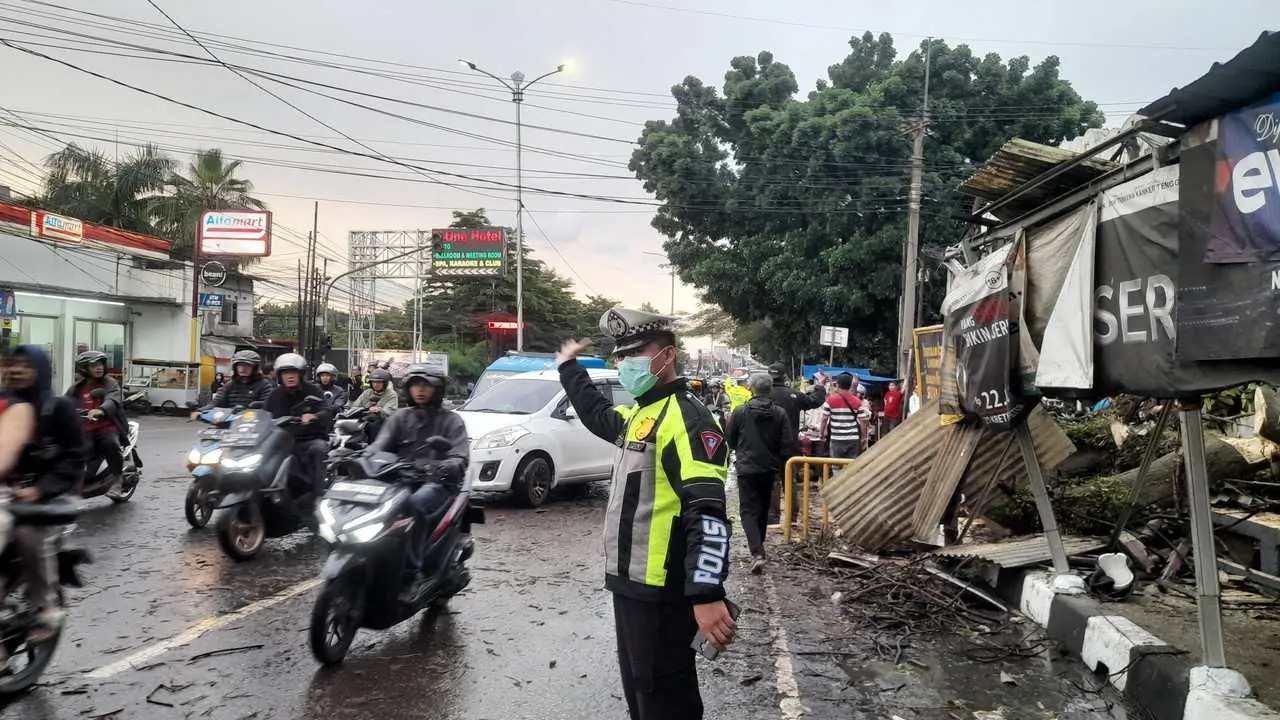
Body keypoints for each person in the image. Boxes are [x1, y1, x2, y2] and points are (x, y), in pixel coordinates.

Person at [557, 306, 735, 720]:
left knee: (666, 702)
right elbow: (599, 416)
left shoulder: (689, 419)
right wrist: (569, 369)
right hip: (631, 585)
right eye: (621, 355)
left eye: (635, 353)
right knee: (642, 694)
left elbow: (707, 512)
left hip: (665, 592)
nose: (625, 363)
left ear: (667, 356)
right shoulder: (642, 413)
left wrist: (706, 593)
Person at [1, 345, 86, 642]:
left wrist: (39, 489)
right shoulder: (5, 404)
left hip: (50, 499)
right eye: (13, 365)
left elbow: (76, 457)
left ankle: (46, 608)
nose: (16, 371)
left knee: (29, 535)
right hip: (8, 493)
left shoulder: (57, 407)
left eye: (25, 366)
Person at [367, 364, 468, 598]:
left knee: (413, 505)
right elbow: (378, 446)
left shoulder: (452, 421)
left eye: (426, 385)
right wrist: (357, 456)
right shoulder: (399, 417)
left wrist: (447, 464)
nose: (420, 390)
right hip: (400, 479)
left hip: (437, 483)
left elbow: (460, 455)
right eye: (415, 385)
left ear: (438, 389)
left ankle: (412, 573)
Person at [724, 373, 796, 574]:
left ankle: (757, 552)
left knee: (747, 510)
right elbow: (787, 443)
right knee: (763, 509)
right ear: (770, 389)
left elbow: (729, 440)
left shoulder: (739, 412)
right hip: (769, 469)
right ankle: (759, 548)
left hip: (746, 468)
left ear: (751, 388)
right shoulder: (780, 413)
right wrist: (783, 467)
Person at [264, 353, 333, 501]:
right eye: (286, 373)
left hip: (308, 439)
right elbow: (264, 415)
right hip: (282, 441)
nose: (290, 376)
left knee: (319, 448)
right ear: (279, 376)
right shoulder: (274, 395)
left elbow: (327, 410)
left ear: (301, 374)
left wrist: (314, 416)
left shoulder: (313, 391)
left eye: (293, 372)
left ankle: (318, 493)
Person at [766, 363, 826, 523]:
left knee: (773, 481)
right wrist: (820, 385)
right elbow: (815, 401)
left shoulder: (761, 396)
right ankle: (791, 517)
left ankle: (772, 517)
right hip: (789, 446)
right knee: (789, 480)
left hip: (768, 447)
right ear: (784, 376)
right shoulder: (793, 395)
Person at [66, 351, 126, 490]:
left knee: (110, 443)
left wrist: (101, 410)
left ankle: (118, 478)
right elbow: (65, 403)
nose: (99, 368)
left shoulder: (110, 383)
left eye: (100, 364)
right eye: (93, 365)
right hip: (86, 428)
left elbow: (113, 398)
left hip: (107, 426)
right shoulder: (77, 388)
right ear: (84, 368)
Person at [194, 350, 271, 415]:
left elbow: (267, 406)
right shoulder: (229, 385)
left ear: (255, 368)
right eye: (240, 365)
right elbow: (216, 402)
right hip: (228, 423)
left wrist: (257, 406)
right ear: (235, 367)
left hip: (253, 424)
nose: (243, 368)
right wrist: (200, 411)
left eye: (247, 365)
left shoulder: (264, 385)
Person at [820, 373, 870, 459]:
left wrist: (822, 433)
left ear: (838, 384)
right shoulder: (857, 401)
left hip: (836, 439)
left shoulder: (830, 401)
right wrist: (864, 437)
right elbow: (863, 421)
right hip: (853, 439)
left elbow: (824, 418)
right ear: (850, 385)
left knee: (836, 465)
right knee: (851, 465)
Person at [349, 368, 399, 442]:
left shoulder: (391, 394)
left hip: (384, 423)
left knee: (374, 425)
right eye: (374, 382)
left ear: (384, 383)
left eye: (379, 382)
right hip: (364, 420)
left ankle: (374, 448)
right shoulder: (367, 393)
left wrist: (379, 410)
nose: (376, 384)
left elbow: (390, 411)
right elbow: (355, 406)